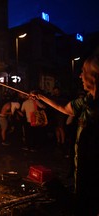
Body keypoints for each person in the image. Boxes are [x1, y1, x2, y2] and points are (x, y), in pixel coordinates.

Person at [31, 54, 99, 216]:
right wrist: (41, 96)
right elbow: (66, 108)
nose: (80, 75)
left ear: (95, 77)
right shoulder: (87, 99)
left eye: (83, 71)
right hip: (82, 172)